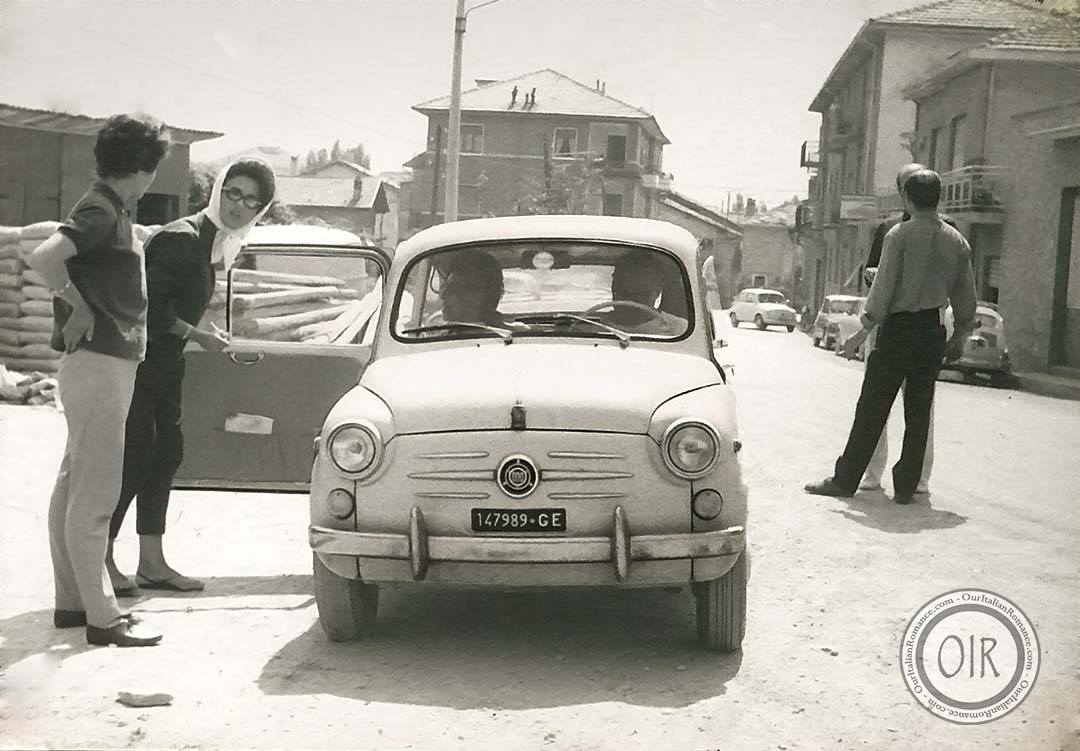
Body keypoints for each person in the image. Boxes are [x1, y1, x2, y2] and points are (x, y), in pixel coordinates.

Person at [29, 113, 171, 647]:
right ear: (143, 167)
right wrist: (77, 305)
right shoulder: (101, 209)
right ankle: (103, 618)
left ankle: (74, 602)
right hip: (100, 362)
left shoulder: (108, 208)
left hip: (101, 363)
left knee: (76, 483)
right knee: (96, 491)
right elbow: (45, 257)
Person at [106, 158, 277, 595]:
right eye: (233, 193)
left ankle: (151, 563)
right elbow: (146, 309)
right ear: (218, 191)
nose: (239, 205)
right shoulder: (182, 238)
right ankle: (99, 558)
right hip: (138, 364)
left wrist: (200, 331)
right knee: (135, 457)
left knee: (166, 454)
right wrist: (198, 335)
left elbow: (176, 306)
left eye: (252, 200)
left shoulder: (211, 244)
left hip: (165, 365)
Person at [804, 169, 977, 504]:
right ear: (938, 198)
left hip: (898, 330)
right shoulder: (957, 241)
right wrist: (959, 336)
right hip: (932, 330)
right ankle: (906, 487)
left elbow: (882, 290)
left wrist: (862, 330)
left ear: (907, 199)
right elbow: (965, 296)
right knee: (919, 411)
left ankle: (845, 480)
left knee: (872, 408)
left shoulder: (898, 235)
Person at [859, 164, 960, 495]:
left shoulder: (948, 230)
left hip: (919, 322)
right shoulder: (888, 228)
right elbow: (872, 278)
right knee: (880, 405)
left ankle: (919, 478)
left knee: (919, 407)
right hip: (891, 323)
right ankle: (872, 473)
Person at [601, 250, 687, 336]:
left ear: (657, 291)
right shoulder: (595, 328)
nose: (631, 301)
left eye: (641, 294)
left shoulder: (679, 330)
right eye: (623, 292)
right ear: (613, 288)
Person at [437, 251, 506, 327]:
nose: (443, 296)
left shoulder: (506, 334)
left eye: (453, 289)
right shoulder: (437, 332)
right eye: (446, 288)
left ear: (478, 295)